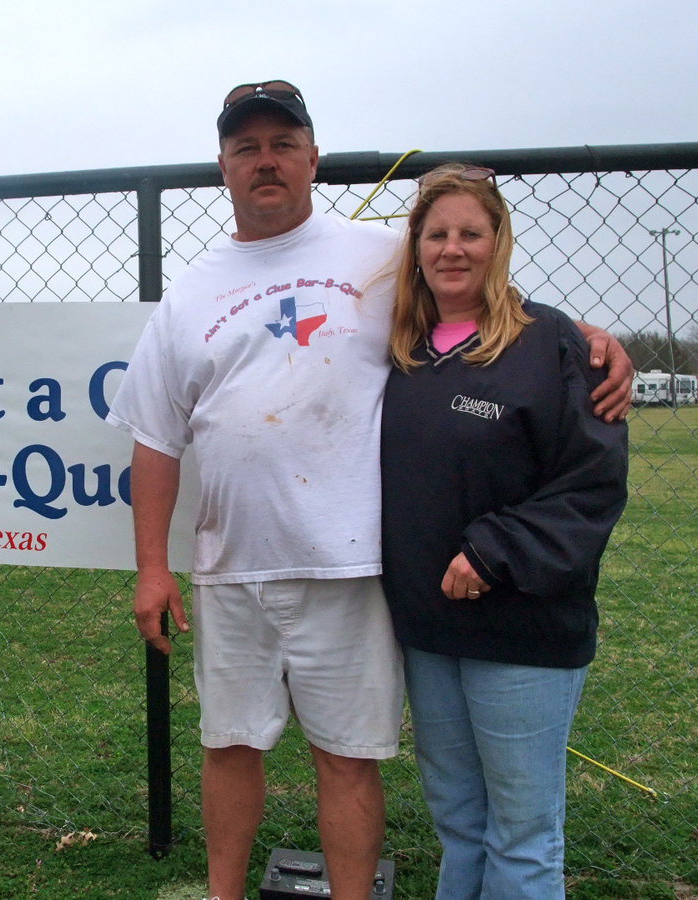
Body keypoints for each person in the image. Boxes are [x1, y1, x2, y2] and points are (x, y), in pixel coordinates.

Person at [107, 82, 632, 900]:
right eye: (247, 148)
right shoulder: (190, 293)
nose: (266, 161)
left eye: (284, 144)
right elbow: (154, 437)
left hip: (350, 567)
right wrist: (151, 566)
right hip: (230, 565)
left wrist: (589, 338)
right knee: (229, 745)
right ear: (223, 167)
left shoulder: (381, 256)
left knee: (347, 758)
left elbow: (479, 296)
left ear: (313, 158)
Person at [380, 163, 630, 900]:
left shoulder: (552, 345)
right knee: (460, 824)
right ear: (416, 247)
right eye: (436, 234)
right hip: (430, 630)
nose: (452, 249)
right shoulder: (396, 350)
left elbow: (592, 482)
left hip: (523, 628)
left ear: (500, 242)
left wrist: (496, 550)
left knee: (521, 835)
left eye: (471, 233)